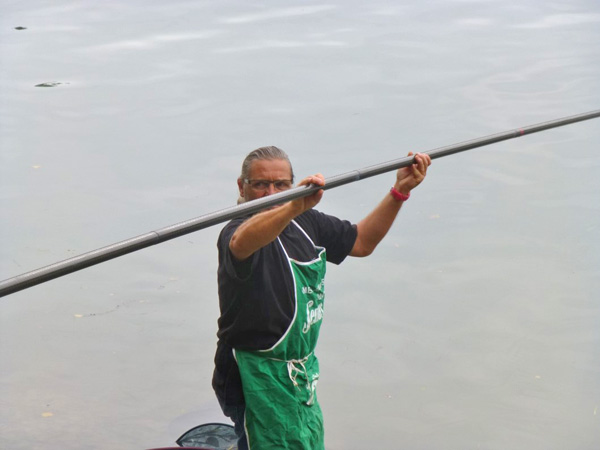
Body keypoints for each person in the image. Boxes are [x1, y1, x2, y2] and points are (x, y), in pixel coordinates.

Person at [213, 146, 431, 450]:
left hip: (300, 371)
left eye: (281, 185)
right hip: (253, 373)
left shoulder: (307, 223)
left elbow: (362, 241)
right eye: (260, 184)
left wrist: (400, 191)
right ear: (242, 187)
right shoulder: (235, 231)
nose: (271, 192)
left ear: (293, 185)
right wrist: (290, 206)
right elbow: (243, 242)